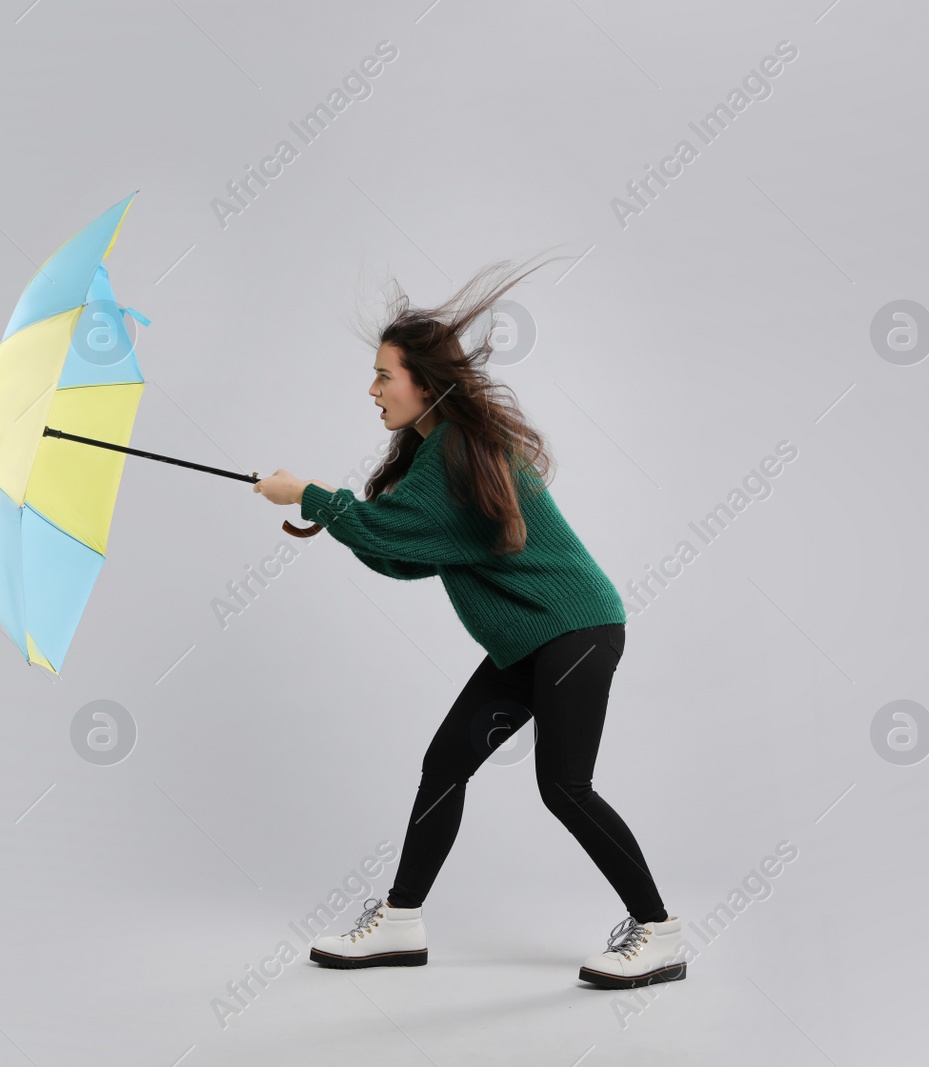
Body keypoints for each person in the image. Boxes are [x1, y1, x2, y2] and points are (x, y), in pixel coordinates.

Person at [253, 259, 686, 990]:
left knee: (564, 785)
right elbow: (402, 552)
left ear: (424, 381)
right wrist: (325, 512)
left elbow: (386, 532)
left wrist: (308, 494)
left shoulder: (455, 449)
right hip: (532, 637)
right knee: (447, 762)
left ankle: (660, 931)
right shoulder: (440, 450)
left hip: (575, 629)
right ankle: (401, 919)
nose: (373, 388)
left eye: (383, 374)